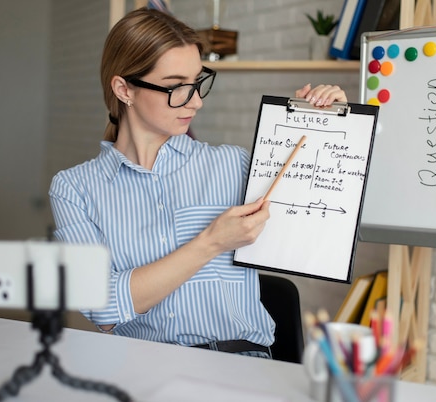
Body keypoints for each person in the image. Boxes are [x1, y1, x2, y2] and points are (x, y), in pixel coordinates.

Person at [49, 8, 347, 359]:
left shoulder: (234, 166)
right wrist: (212, 241)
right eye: (176, 87)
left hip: (241, 369)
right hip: (142, 370)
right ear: (123, 89)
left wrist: (332, 129)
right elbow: (103, 308)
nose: (197, 101)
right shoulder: (74, 189)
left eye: (198, 81)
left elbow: (324, 225)